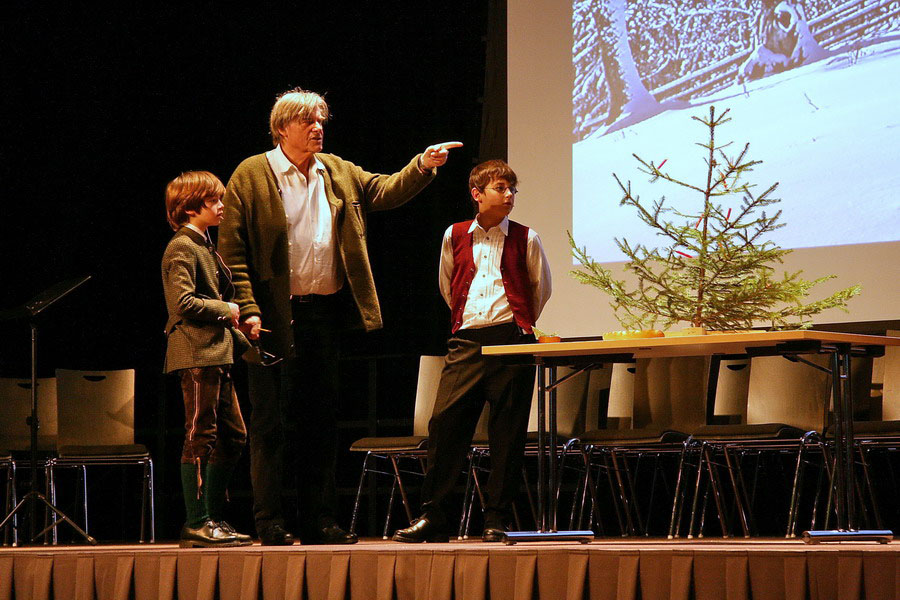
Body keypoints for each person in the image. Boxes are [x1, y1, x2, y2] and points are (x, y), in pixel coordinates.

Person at [218, 87, 462, 545]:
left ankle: (319, 520)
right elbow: (233, 252)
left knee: (319, 421)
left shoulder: (336, 170)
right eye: (308, 121)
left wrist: (422, 165)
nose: (318, 128)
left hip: (323, 316)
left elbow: (384, 190)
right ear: (281, 128)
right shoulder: (251, 175)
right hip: (270, 319)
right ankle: (270, 521)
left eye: (321, 121)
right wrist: (247, 309)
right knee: (270, 425)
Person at [393, 159, 551, 543]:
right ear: (477, 194)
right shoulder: (455, 234)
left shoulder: (526, 237)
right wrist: (469, 321)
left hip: (511, 341)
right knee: (445, 425)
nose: (509, 195)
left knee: (507, 433)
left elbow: (540, 288)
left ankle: (496, 518)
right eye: (501, 188)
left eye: (513, 189)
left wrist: (518, 322)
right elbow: (448, 284)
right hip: (467, 341)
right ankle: (434, 516)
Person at [161, 171, 253, 548]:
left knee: (233, 436)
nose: (221, 206)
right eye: (214, 200)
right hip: (197, 353)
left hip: (216, 352)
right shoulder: (182, 247)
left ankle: (212, 517)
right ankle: (197, 522)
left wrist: (241, 332)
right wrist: (226, 309)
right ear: (190, 207)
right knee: (200, 434)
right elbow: (182, 303)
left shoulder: (203, 245)